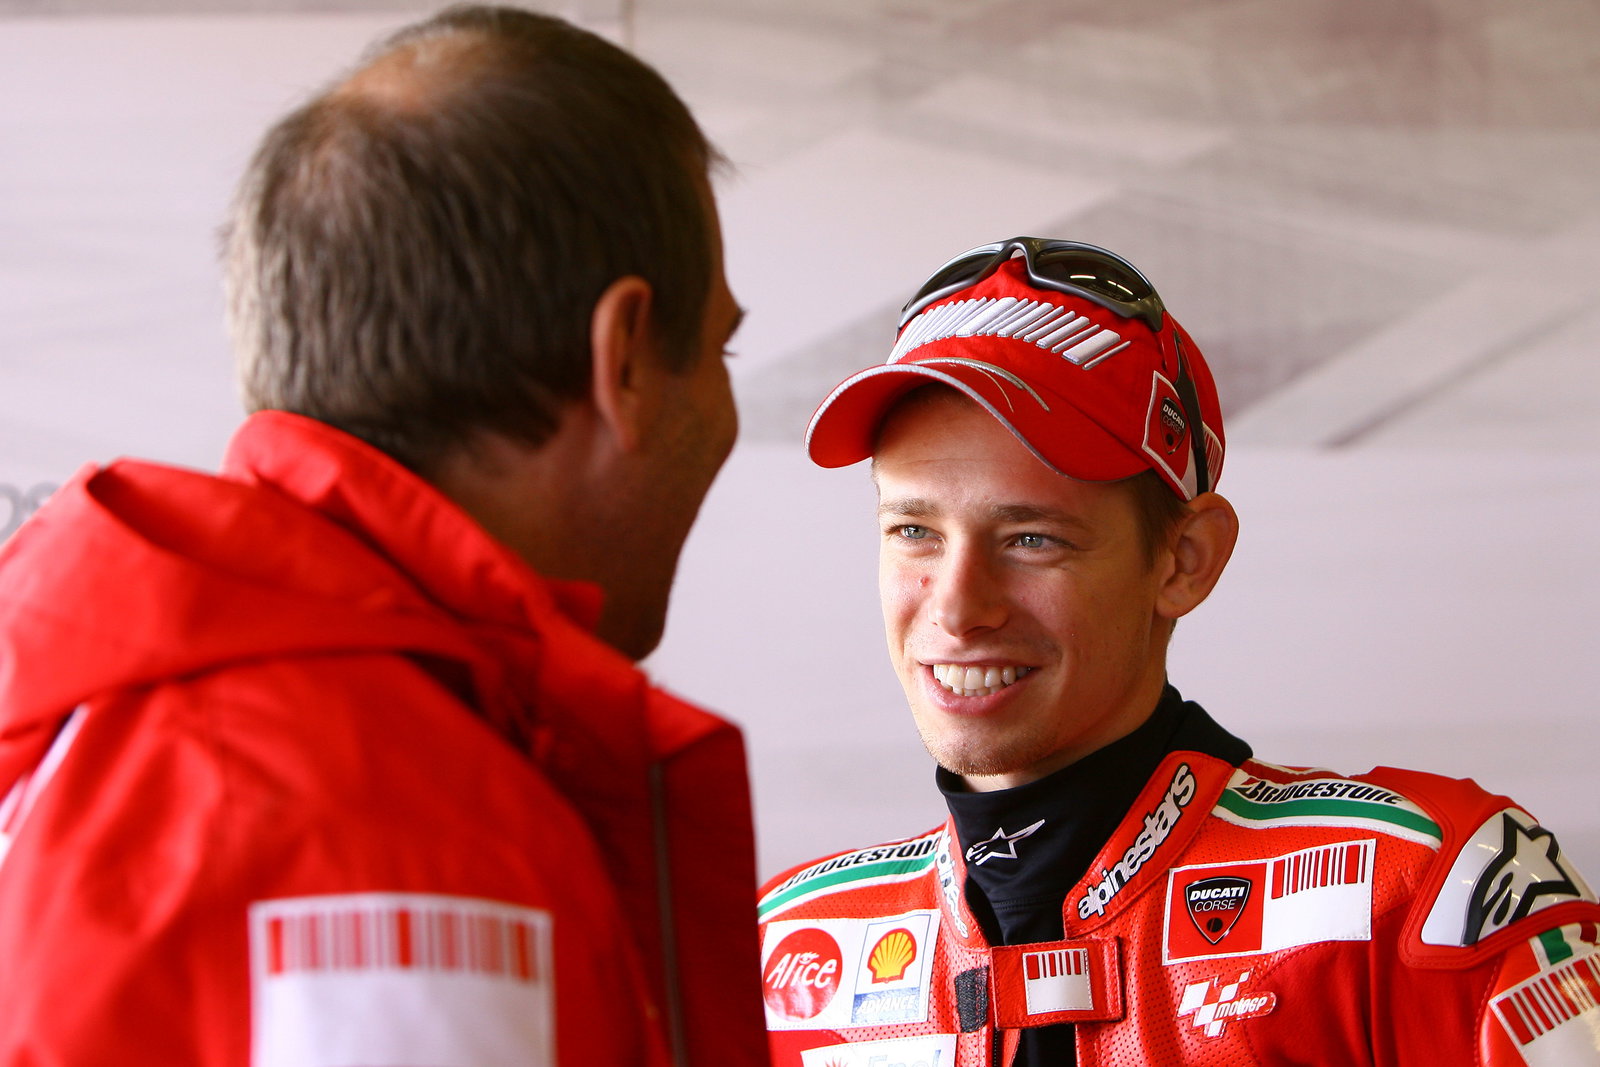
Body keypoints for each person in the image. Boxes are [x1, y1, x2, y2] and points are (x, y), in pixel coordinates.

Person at [0, 6, 766, 1064]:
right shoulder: (392, 819)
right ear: (624, 358)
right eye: (721, 349)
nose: (724, 405)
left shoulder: (127, 709)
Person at [756, 237, 1600, 1065]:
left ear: (1184, 560)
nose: (956, 607)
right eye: (914, 530)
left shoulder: (1431, 890)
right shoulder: (789, 952)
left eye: (1032, 537)